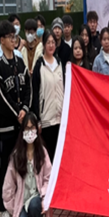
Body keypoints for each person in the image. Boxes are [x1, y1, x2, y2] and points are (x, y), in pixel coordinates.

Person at [0, 21, 32, 217]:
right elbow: (0, 96)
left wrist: (24, 108)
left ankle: (22, 201)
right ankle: (4, 208)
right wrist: (17, 112)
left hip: (22, 125)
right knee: (6, 166)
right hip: (7, 126)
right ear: (1, 40)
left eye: (14, 36)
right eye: (9, 37)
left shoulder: (20, 61)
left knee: (23, 163)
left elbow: (28, 87)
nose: (13, 40)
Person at [2, 112, 53, 217]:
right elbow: (8, 185)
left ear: (37, 129)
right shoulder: (17, 155)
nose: (30, 132)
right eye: (27, 128)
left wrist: (44, 197)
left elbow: (49, 177)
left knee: (35, 204)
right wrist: (13, 207)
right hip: (22, 202)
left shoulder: (42, 152)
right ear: (22, 131)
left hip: (38, 199)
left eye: (32, 128)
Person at [32, 31, 64, 162]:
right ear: (44, 44)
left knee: (59, 156)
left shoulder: (60, 63)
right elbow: (35, 94)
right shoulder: (39, 65)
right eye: (48, 42)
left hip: (60, 118)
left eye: (53, 42)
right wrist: (37, 120)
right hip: (46, 120)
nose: (51, 45)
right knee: (48, 158)